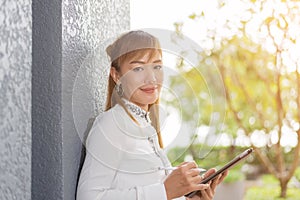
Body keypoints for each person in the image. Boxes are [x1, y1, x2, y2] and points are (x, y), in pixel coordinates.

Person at [76, 30, 228, 200]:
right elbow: (88, 197)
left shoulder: (145, 126)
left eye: (157, 66)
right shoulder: (110, 124)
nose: (151, 78)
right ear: (116, 75)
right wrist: (165, 191)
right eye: (138, 68)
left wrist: (188, 198)